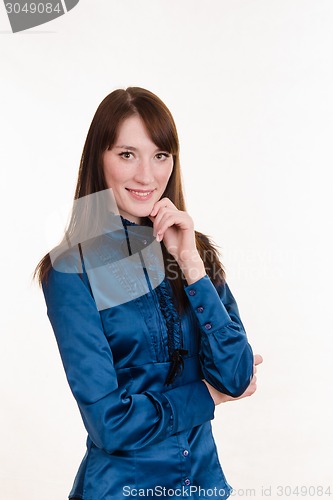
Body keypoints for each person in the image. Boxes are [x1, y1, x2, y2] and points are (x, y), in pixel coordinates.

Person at [34, 87, 263, 500]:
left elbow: (238, 375)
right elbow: (110, 423)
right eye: (127, 154)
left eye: (160, 155)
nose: (147, 175)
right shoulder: (71, 271)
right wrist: (207, 397)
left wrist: (191, 265)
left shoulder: (196, 250)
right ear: (98, 160)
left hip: (204, 487)